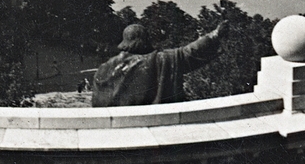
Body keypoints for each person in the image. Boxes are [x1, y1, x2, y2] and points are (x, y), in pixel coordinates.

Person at [90, 22, 220, 107]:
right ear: (144, 41)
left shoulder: (103, 69)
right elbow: (188, 53)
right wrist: (215, 35)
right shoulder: (160, 60)